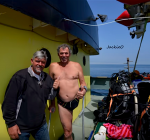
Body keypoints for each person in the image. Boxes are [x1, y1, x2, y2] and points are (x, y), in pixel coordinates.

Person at [2, 50, 57, 140]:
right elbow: (9, 102)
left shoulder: (47, 78)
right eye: (37, 61)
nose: (40, 64)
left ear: (45, 63)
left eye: (42, 62)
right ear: (32, 61)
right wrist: (11, 124)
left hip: (41, 125)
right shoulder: (20, 76)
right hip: (21, 128)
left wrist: (55, 88)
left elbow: (50, 96)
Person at [49, 44, 87, 140]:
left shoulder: (77, 66)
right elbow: (50, 88)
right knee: (67, 132)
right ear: (58, 54)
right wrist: (52, 104)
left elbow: (83, 83)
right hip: (63, 103)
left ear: (69, 54)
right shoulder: (53, 66)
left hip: (75, 100)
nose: (64, 55)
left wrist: (83, 91)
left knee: (69, 129)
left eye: (66, 53)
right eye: (61, 53)